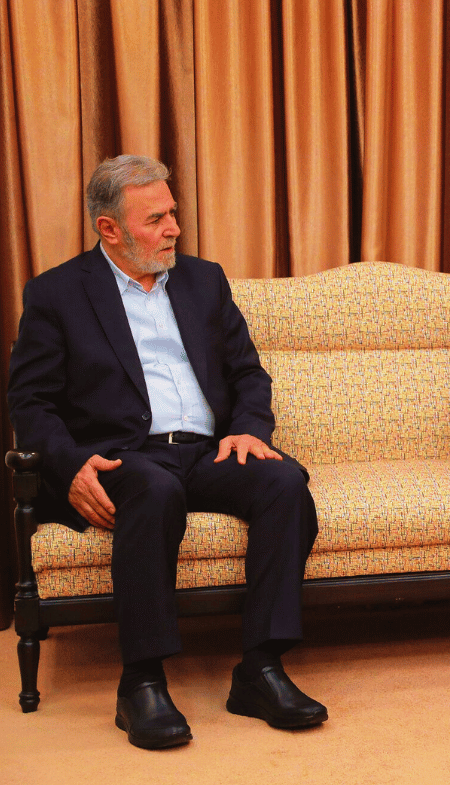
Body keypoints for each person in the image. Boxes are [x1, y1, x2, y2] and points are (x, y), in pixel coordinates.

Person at [7, 155, 326, 749]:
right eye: (156, 219)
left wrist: (250, 428)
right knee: (155, 491)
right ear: (110, 230)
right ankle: (142, 683)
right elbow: (30, 402)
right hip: (125, 455)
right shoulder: (57, 294)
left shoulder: (205, 280)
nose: (174, 228)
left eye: (173, 213)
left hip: (209, 448)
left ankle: (260, 668)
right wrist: (69, 462)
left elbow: (248, 373)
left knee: (283, 483)